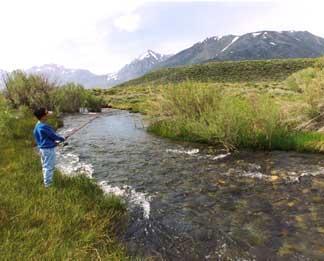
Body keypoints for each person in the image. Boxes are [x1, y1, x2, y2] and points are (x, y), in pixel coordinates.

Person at [33, 108, 66, 188]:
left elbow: (44, 138)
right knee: (49, 167)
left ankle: (47, 182)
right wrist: (62, 138)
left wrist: (54, 143)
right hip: (48, 150)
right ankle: (48, 185)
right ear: (43, 116)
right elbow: (54, 136)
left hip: (42, 149)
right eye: (47, 113)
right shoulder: (44, 126)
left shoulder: (37, 125)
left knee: (45, 166)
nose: (48, 114)